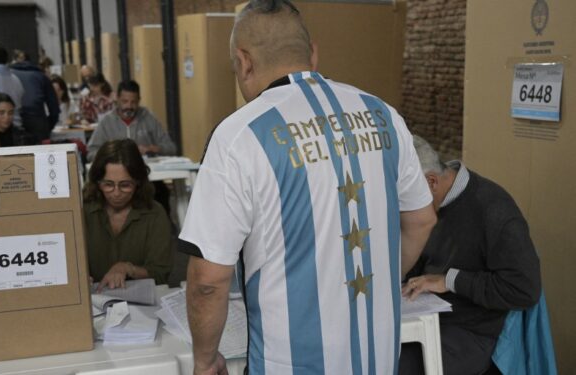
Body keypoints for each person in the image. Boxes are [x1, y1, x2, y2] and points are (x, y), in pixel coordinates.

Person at [178, 1, 437, 374]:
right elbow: (422, 220)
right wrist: (372, 288)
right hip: (377, 358)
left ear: (244, 61)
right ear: (312, 53)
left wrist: (205, 358)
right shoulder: (383, 115)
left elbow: (207, 280)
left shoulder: (239, 136)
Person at [399, 136, 541, 375]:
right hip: (427, 314)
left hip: (471, 331)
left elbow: (524, 289)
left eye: (404, 197)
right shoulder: (430, 206)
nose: (403, 207)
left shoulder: (493, 210)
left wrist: (450, 280)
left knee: (393, 366)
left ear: (431, 182)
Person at [83, 139, 173, 290]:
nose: (116, 193)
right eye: (108, 184)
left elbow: (160, 273)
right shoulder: (82, 211)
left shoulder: (155, 213)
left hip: (139, 298)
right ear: (97, 182)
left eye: (125, 185)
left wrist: (128, 269)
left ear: (138, 182)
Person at [86, 80, 176, 162]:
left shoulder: (148, 117)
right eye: (125, 101)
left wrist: (153, 149)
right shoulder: (106, 122)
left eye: (133, 102)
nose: (129, 106)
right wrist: (114, 154)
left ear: (139, 101)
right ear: (117, 99)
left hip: (146, 172)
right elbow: (91, 154)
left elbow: (171, 148)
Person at [10, 53, 61, 143]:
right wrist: (48, 127)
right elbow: (54, 109)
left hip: (14, 122)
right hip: (37, 123)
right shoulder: (41, 76)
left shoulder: (9, 75)